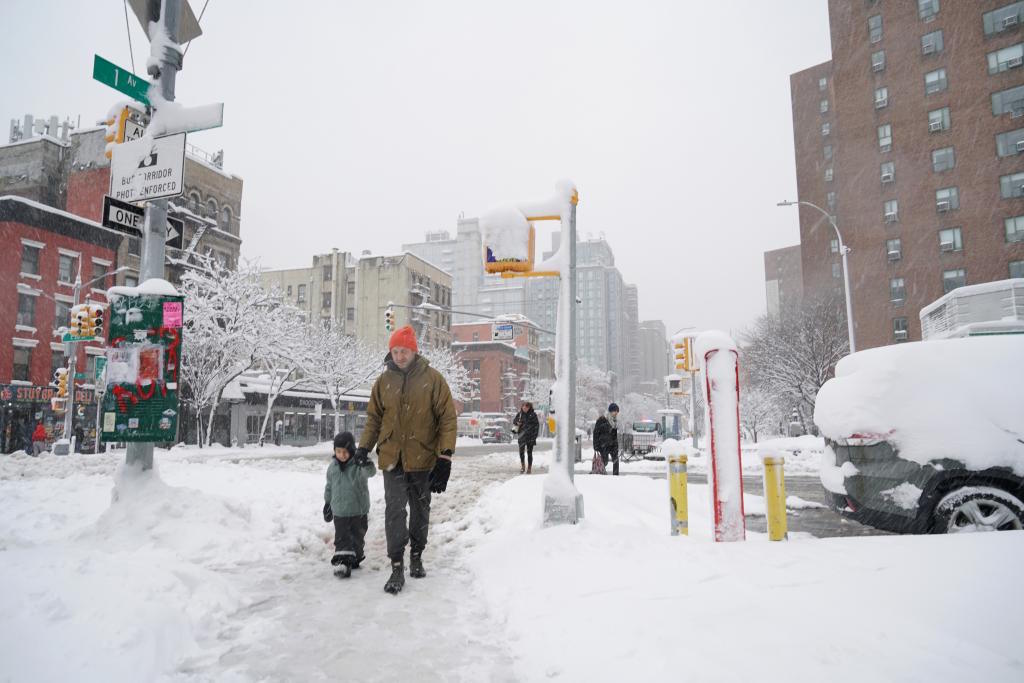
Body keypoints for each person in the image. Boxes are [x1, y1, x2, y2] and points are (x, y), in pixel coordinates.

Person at [357, 325, 456, 595]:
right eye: (395, 351)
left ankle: (417, 556)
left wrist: (445, 456)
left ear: (414, 351)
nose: (399, 356)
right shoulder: (383, 381)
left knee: (420, 511)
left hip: (424, 459)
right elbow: (374, 418)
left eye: (404, 351)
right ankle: (397, 564)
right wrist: (363, 447)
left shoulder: (433, 379)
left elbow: (447, 418)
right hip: (392, 458)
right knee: (395, 511)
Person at [323, 431, 376, 578]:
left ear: (352, 450)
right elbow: (329, 486)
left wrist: (365, 462)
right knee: (342, 538)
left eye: (345, 451)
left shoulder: (357, 466)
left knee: (358, 539)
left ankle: (356, 557)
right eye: (338, 451)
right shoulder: (332, 467)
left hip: (358, 511)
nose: (341, 455)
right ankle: (343, 563)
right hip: (340, 511)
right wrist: (327, 503)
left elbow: (371, 472)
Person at [512, 401, 540, 474]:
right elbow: (514, 421)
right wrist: (517, 422)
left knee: (529, 453)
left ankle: (529, 468)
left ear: (529, 407)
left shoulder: (533, 415)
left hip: (530, 437)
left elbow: (536, 426)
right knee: (521, 452)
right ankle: (523, 467)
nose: (524, 408)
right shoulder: (520, 414)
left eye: (526, 407)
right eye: (523, 406)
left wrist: (534, 436)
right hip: (521, 436)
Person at [593, 403, 620, 476]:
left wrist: (616, 446)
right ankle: (601, 475)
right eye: (615, 411)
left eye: (617, 411)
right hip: (603, 445)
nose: (616, 413)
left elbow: (615, 435)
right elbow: (595, 433)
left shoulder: (615, 422)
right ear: (610, 411)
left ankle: (616, 476)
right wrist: (596, 446)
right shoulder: (602, 419)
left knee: (616, 460)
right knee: (604, 462)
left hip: (612, 445)